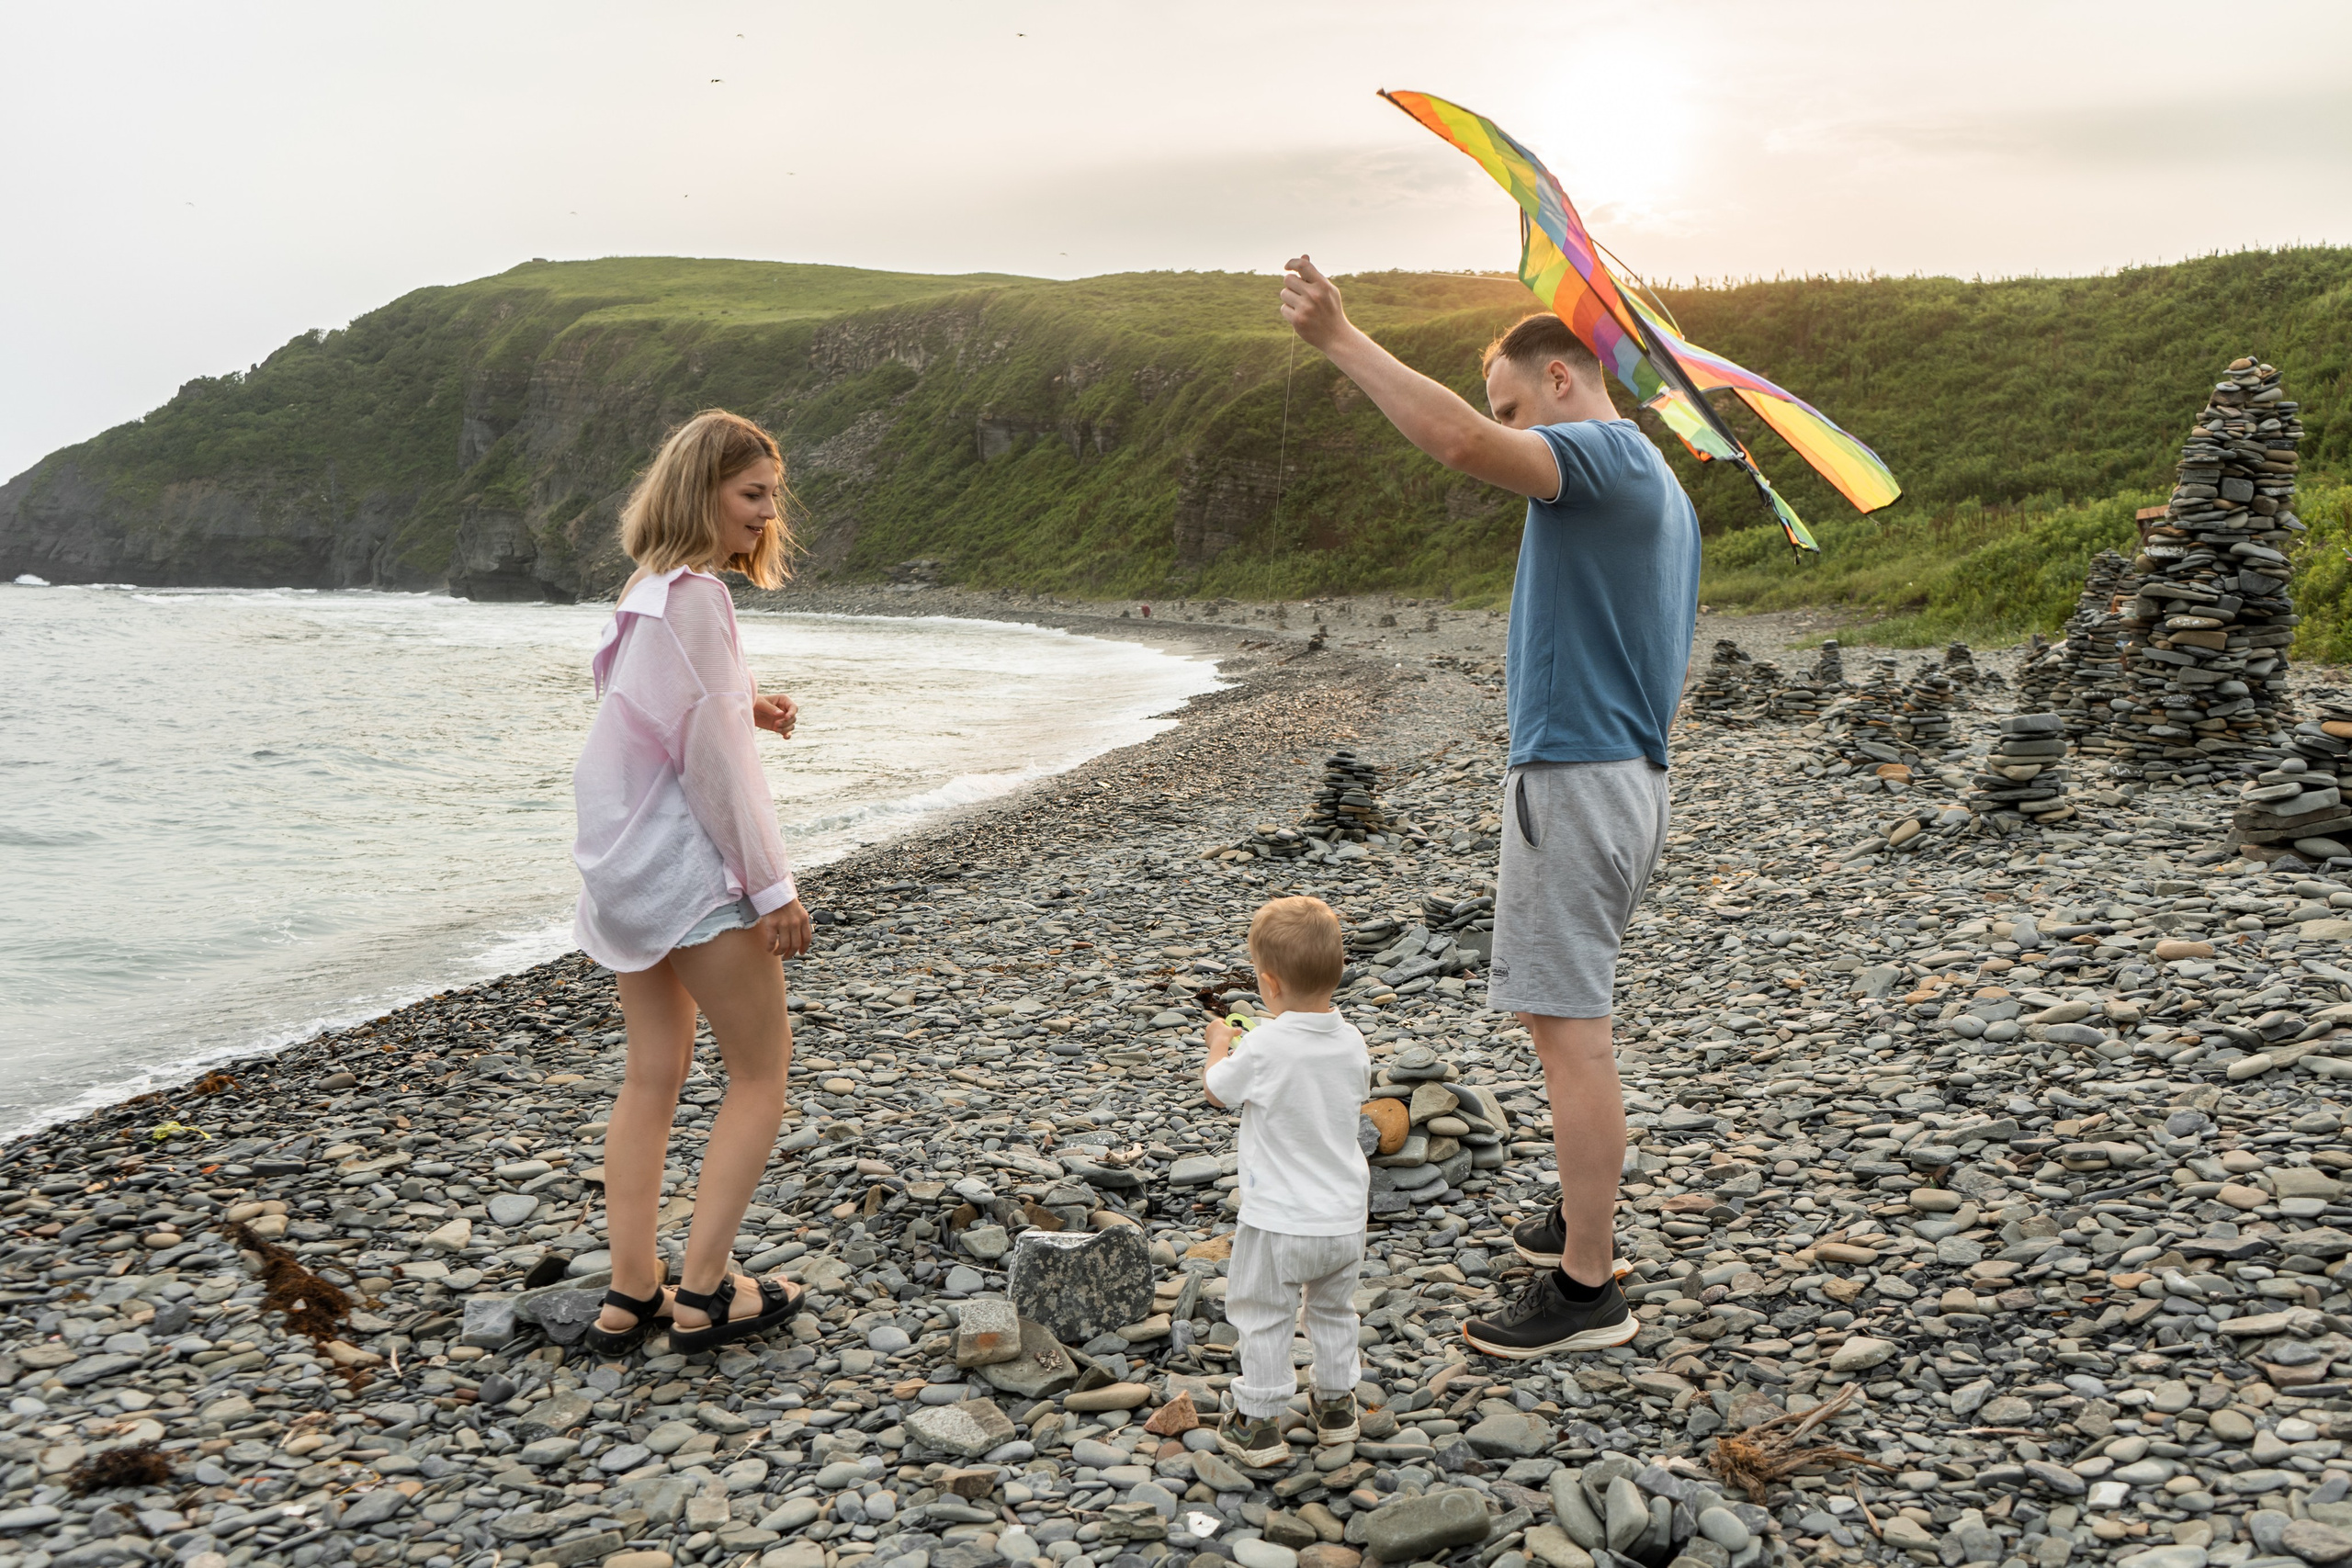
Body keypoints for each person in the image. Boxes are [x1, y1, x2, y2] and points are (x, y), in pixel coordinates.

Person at [1277, 258, 1700, 1359]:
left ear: (1562, 378)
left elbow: (1462, 443)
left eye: (1512, 400)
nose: (1504, 427)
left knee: (1569, 1033)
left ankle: (1586, 1288)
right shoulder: (1660, 481)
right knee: (1555, 1017)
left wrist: (1338, 338)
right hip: (1622, 776)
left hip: (1578, 776)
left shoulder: (1600, 455)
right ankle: (1581, 1212)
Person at [571, 409, 814, 1357]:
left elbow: (645, 709)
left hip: (620, 872)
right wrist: (772, 888)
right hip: (689, 873)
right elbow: (716, 770)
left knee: (652, 1075)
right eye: (751, 495)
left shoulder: (644, 593)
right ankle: (706, 1293)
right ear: (701, 490)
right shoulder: (701, 600)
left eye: (769, 498)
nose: (764, 515)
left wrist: (743, 703)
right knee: (758, 1075)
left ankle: (631, 1291)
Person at [1201, 896, 1371, 1464]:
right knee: (1332, 1311)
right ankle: (1337, 1403)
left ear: (1268, 984)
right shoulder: (1352, 1042)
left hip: (1278, 1219)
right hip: (1343, 1217)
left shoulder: (1265, 1045)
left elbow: (1219, 1090)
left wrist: (1221, 1046)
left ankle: (1260, 1421)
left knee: (1263, 1313)